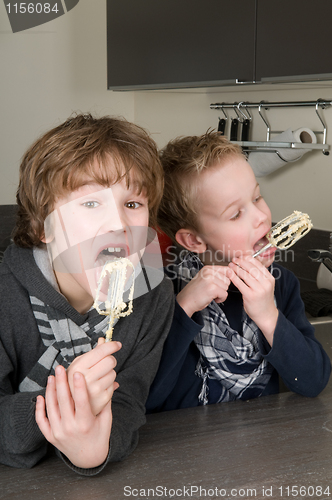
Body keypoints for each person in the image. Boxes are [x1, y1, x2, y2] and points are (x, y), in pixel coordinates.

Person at [0, 113, 174, 474]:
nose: (118, 224)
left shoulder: (154, 294)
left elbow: (127, 401)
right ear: (42, 227)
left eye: (132, 204)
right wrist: (59, 404)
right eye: (91, 203)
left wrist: (95, 451)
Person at [146, 131, 331, 412]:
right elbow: (146, 400)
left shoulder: (281, 285)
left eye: (257, 198)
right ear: (194, 241)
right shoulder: (164, 292)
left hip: (262, 447)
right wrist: (183, 308)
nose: (261, 217)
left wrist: (269, 316)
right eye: (235, 214)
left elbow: (313, 381)